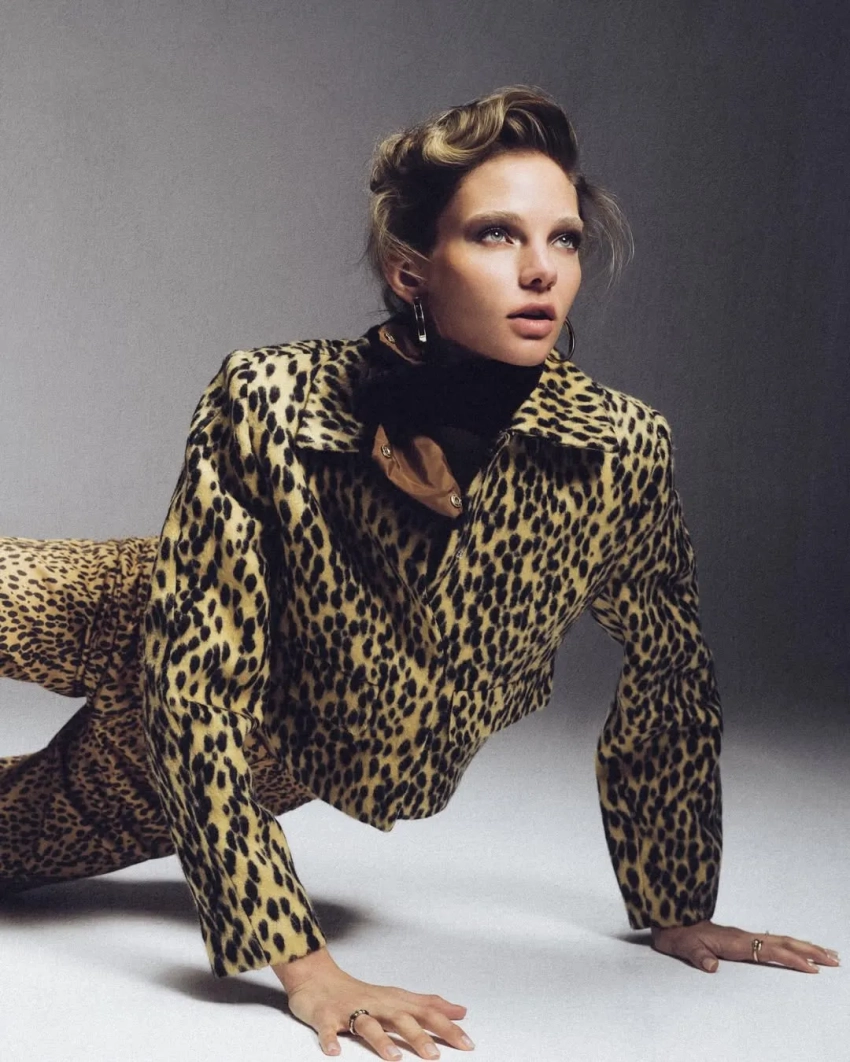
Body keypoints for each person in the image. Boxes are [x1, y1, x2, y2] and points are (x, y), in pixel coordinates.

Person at [0, 85, 838, 1060]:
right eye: (496, 234)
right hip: (148, 608)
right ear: (411, 270)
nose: (540, 269)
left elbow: (670, 675)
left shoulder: (617, 452)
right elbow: (194, 680)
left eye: (565, 240)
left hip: (264, 744)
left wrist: (677, 906)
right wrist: (307, 969)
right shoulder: (270, 395)